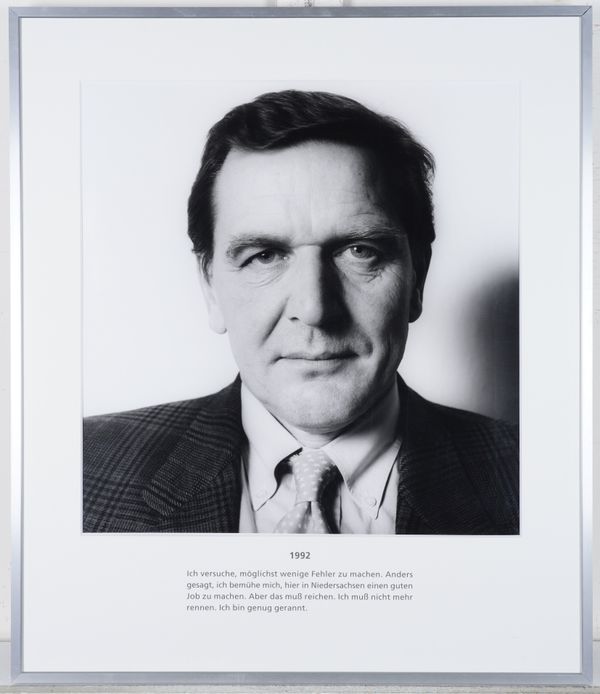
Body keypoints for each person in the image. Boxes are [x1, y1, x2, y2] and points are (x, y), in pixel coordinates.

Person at [83, 90, 518, 534]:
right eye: (264, 256)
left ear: (417, 277)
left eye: (360, 251)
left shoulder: (532, 481)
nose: (314, 309)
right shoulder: (79, 472)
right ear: (210, 286)